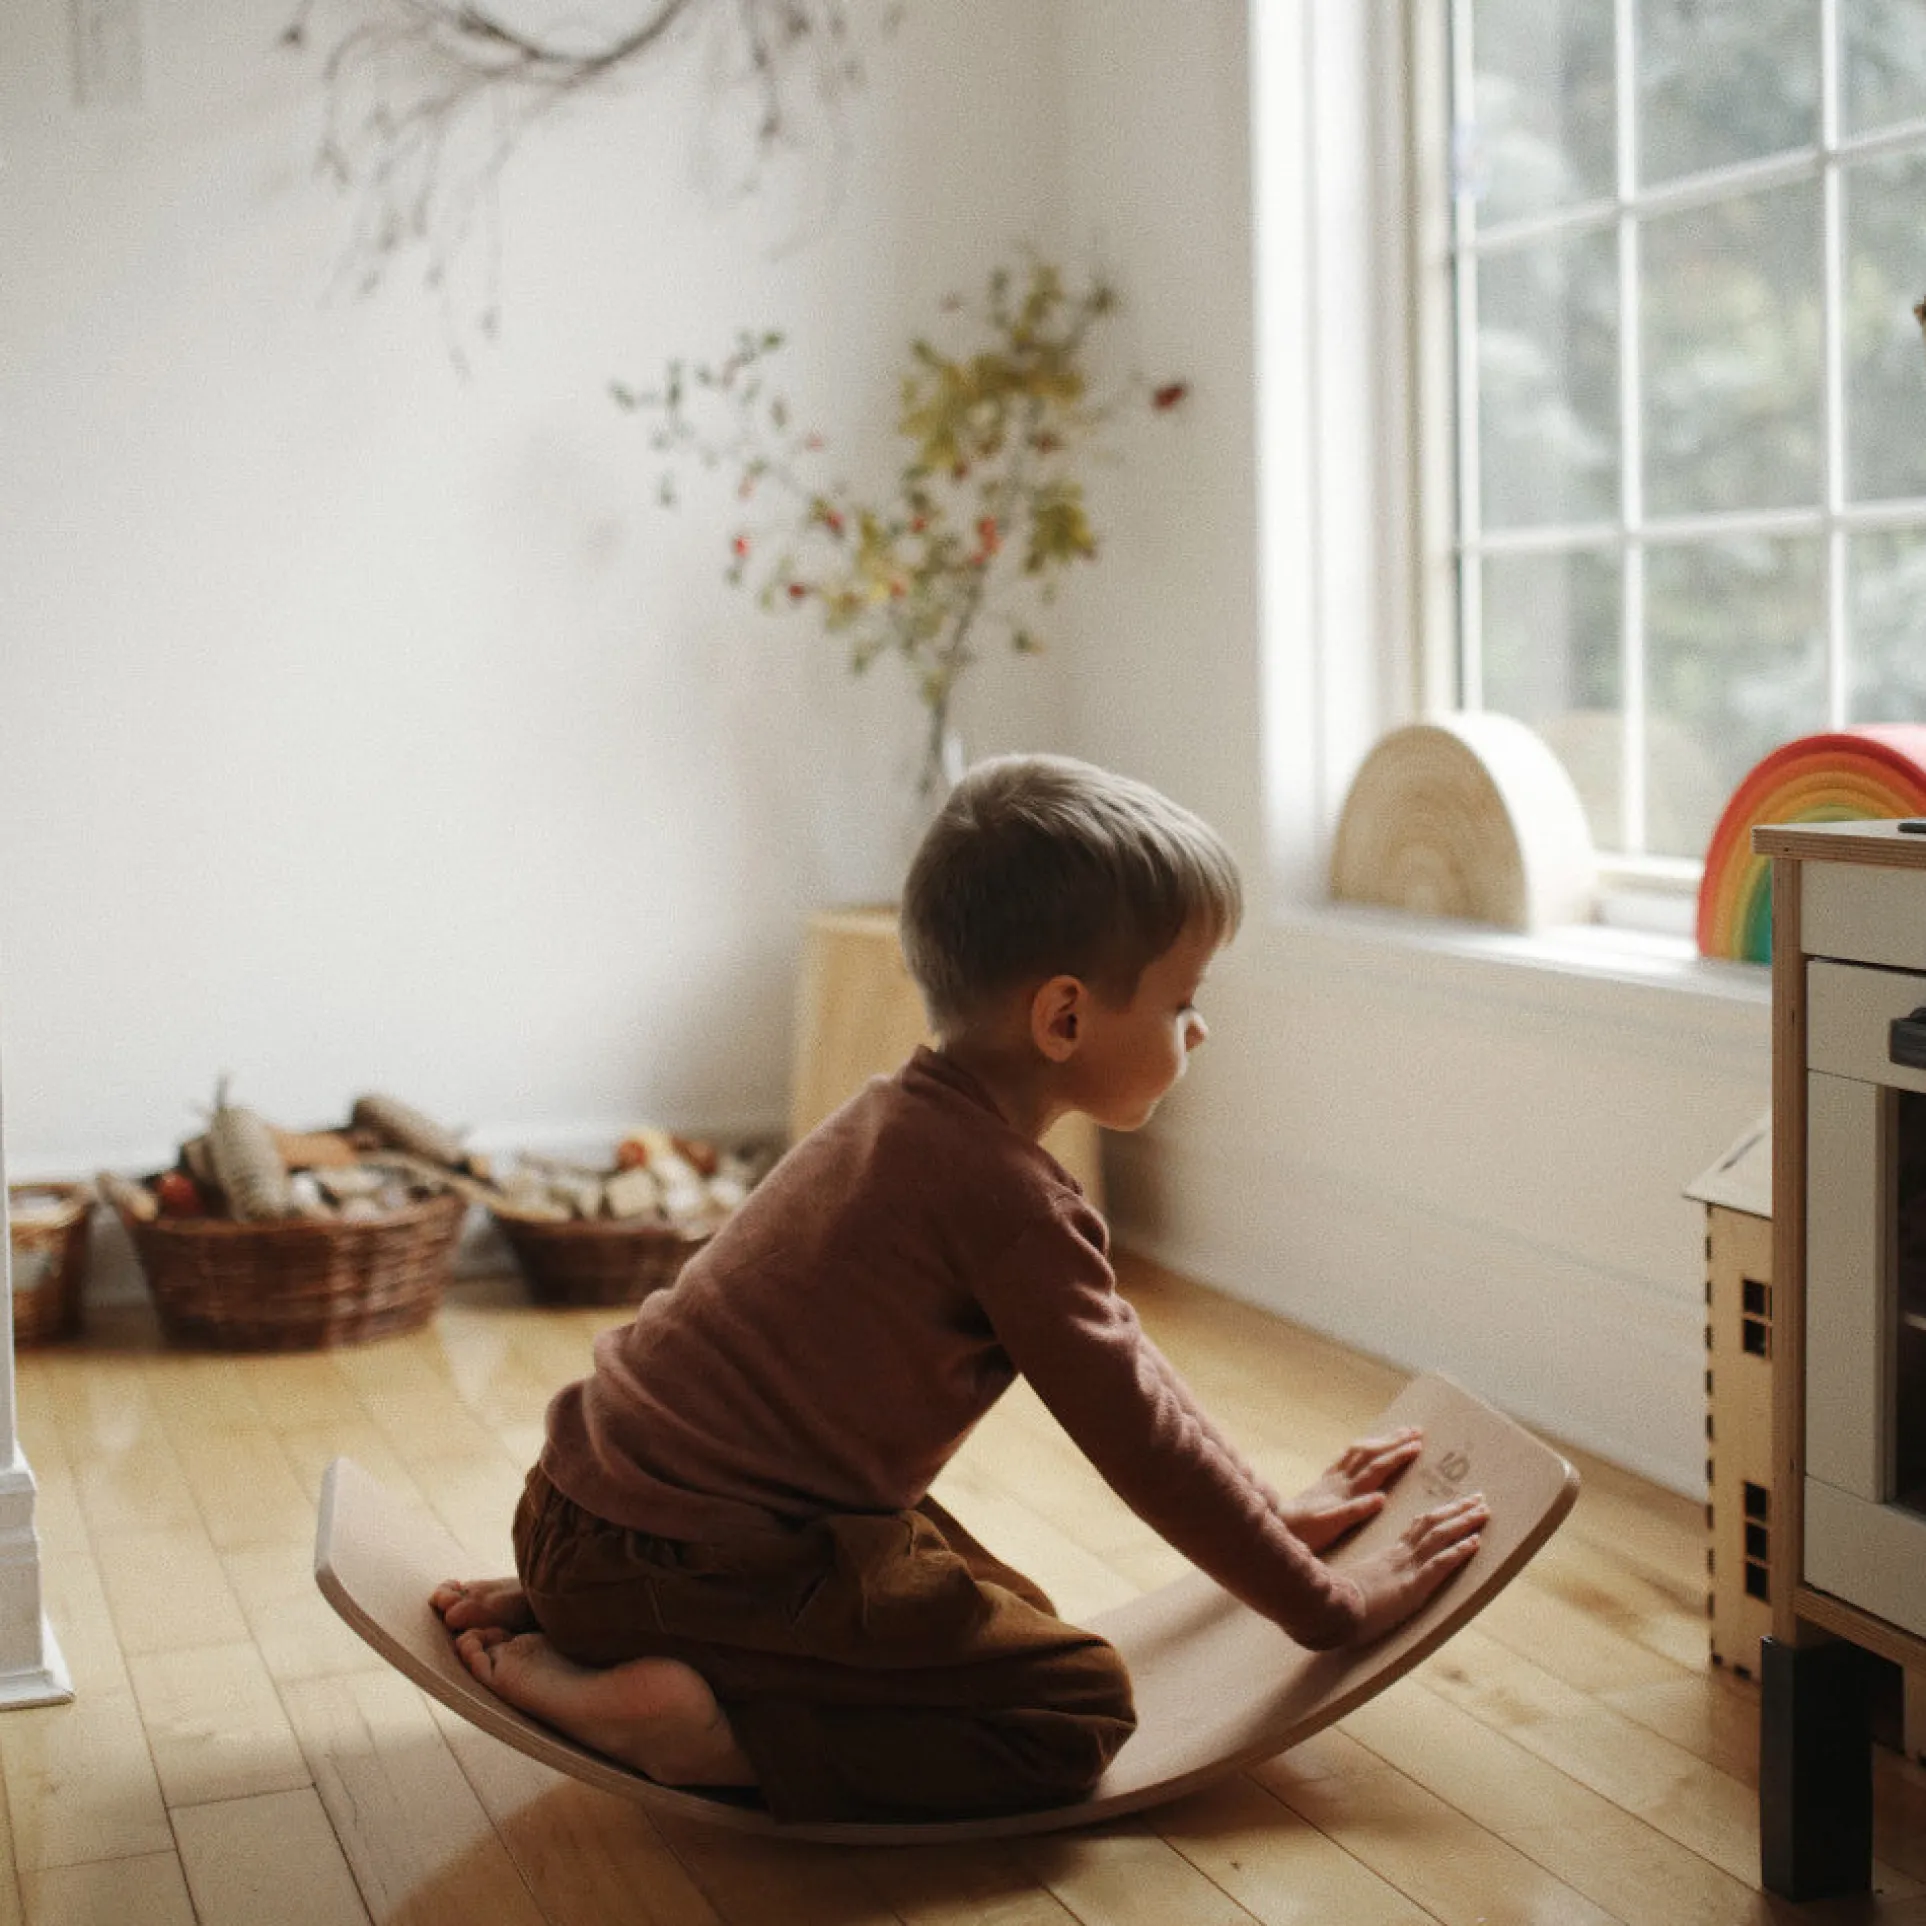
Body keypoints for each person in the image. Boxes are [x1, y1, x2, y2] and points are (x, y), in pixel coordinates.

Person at [434, 754, 1488, 1825]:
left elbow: (1139, 1380)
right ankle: (706, 1733)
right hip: (690, 1560)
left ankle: (603, 1621)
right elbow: (1141, 1443)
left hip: (575, 1514)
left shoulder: (889, 1116)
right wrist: (1328, 1610)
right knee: (1070, 1705)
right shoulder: (1009, 1205)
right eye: (1184, 1001)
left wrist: (1273, 1513)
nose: (1199, 1030)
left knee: (1003, 1609)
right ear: (1066, 1019)